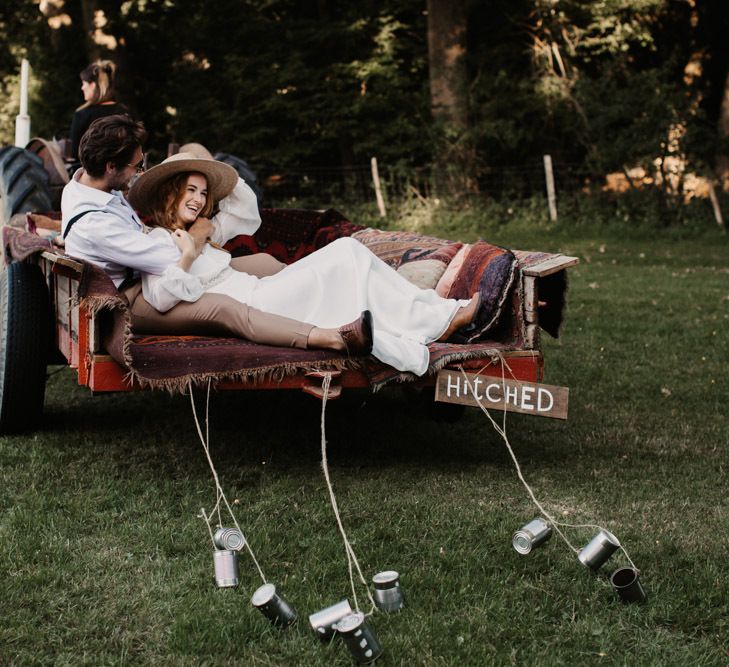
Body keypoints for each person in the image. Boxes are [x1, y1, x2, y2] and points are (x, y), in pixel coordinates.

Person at [128, 156, 481, 376]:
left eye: (204, 193)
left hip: (261, 290)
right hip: (258, 305)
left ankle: (435, 314)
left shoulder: (202, 229)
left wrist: (210, 169)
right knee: (345, 253)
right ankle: (437, 320)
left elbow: (245, 208)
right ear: (170, 194)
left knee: (350, 251)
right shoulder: (160, 241)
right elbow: (159, 298)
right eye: (190, 190)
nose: (199, 200)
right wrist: (187, 255)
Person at [61, 114, 371, 355]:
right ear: (111, 166)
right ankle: (330, 338)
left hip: (152, 268)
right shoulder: (93, 224)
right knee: (224, 308)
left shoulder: (86, 184)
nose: (140, 171)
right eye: (136, 166)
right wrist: (201, 229)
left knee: (262, 262)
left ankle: (326, 295)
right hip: (132, 298)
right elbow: (169, 257)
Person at [69, 61, 128, 160]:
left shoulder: (82, 115)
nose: (82, 88)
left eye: (84, 83)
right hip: (123, 171)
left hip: (91, 173)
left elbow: (75, 153)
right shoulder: (125, 112)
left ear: (92, 85)